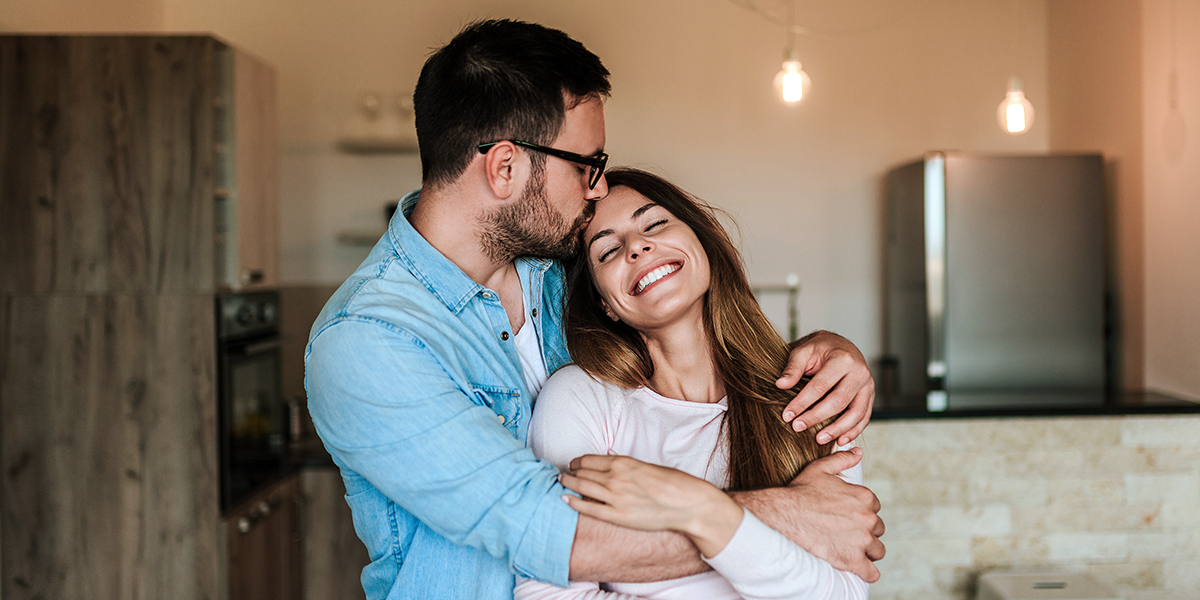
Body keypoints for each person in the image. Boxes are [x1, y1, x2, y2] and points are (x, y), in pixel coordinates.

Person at [305, 19, 882, 600]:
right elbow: (554, 538)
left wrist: (833, 348)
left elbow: (684, 308)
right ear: (504, 167)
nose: (597, 188)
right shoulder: (367, 341)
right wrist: (784, 517)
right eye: (585, 164)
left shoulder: (561, 272)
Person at [515, 168, 872, 600]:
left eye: (655, 223)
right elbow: (548, 592)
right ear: (605, 304)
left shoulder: (813, 392)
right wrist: (730, 522)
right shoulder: (579, 399)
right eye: (607, 251)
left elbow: (843, 592)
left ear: (701, 239)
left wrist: (700, 509)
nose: (637, 246)